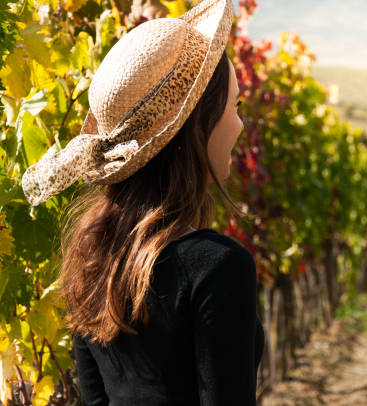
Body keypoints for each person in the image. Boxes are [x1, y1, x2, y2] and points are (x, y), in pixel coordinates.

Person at [20, 0, 264, 404]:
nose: (240, 123)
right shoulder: (219, 267)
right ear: (197, 124)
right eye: (234, 106)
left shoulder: (92, 257)